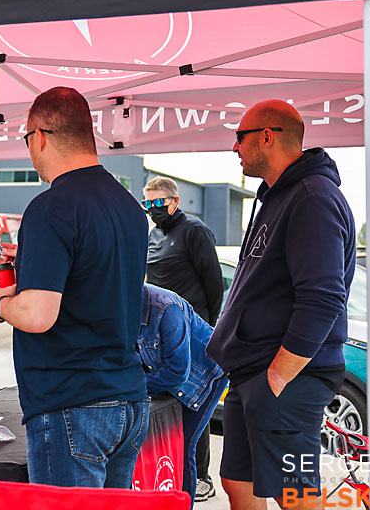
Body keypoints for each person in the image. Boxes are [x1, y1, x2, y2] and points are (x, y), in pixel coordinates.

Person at [0, 86, 148, 488]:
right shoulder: (128, 206)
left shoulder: (51, 206)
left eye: (26, 140)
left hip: (72, 402)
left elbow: (38, 316)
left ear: (39, 135)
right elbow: (96, 282)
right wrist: (33, 265)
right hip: (127, 394)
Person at [207, 100, 355, 510]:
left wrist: (279, 375)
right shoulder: (278, 196)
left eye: (239, 137)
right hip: (252, 370)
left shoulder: (312, 198)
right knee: (238, 482)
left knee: (296, 493)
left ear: (267, 136)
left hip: (283, 375)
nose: (234, 148)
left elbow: (323, 298)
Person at [142, 175, 224, 502]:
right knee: (170, 424)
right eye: (147, 204)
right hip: (158, 331)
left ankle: (200, 478)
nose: (152, 209)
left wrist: (207, 325)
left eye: (157, 203)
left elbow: (214, 283)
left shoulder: (194, 230)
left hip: (191, 327)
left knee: (191, 423)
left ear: (174, 201)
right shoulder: (153, 235)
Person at [138, 283, 227, 506]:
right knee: (162, 444)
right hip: (168, 375)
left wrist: (134, 387)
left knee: (185, 445)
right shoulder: (118, 305)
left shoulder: (165, 307)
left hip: (206, 374)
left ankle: (184, 503)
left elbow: (177, 372)